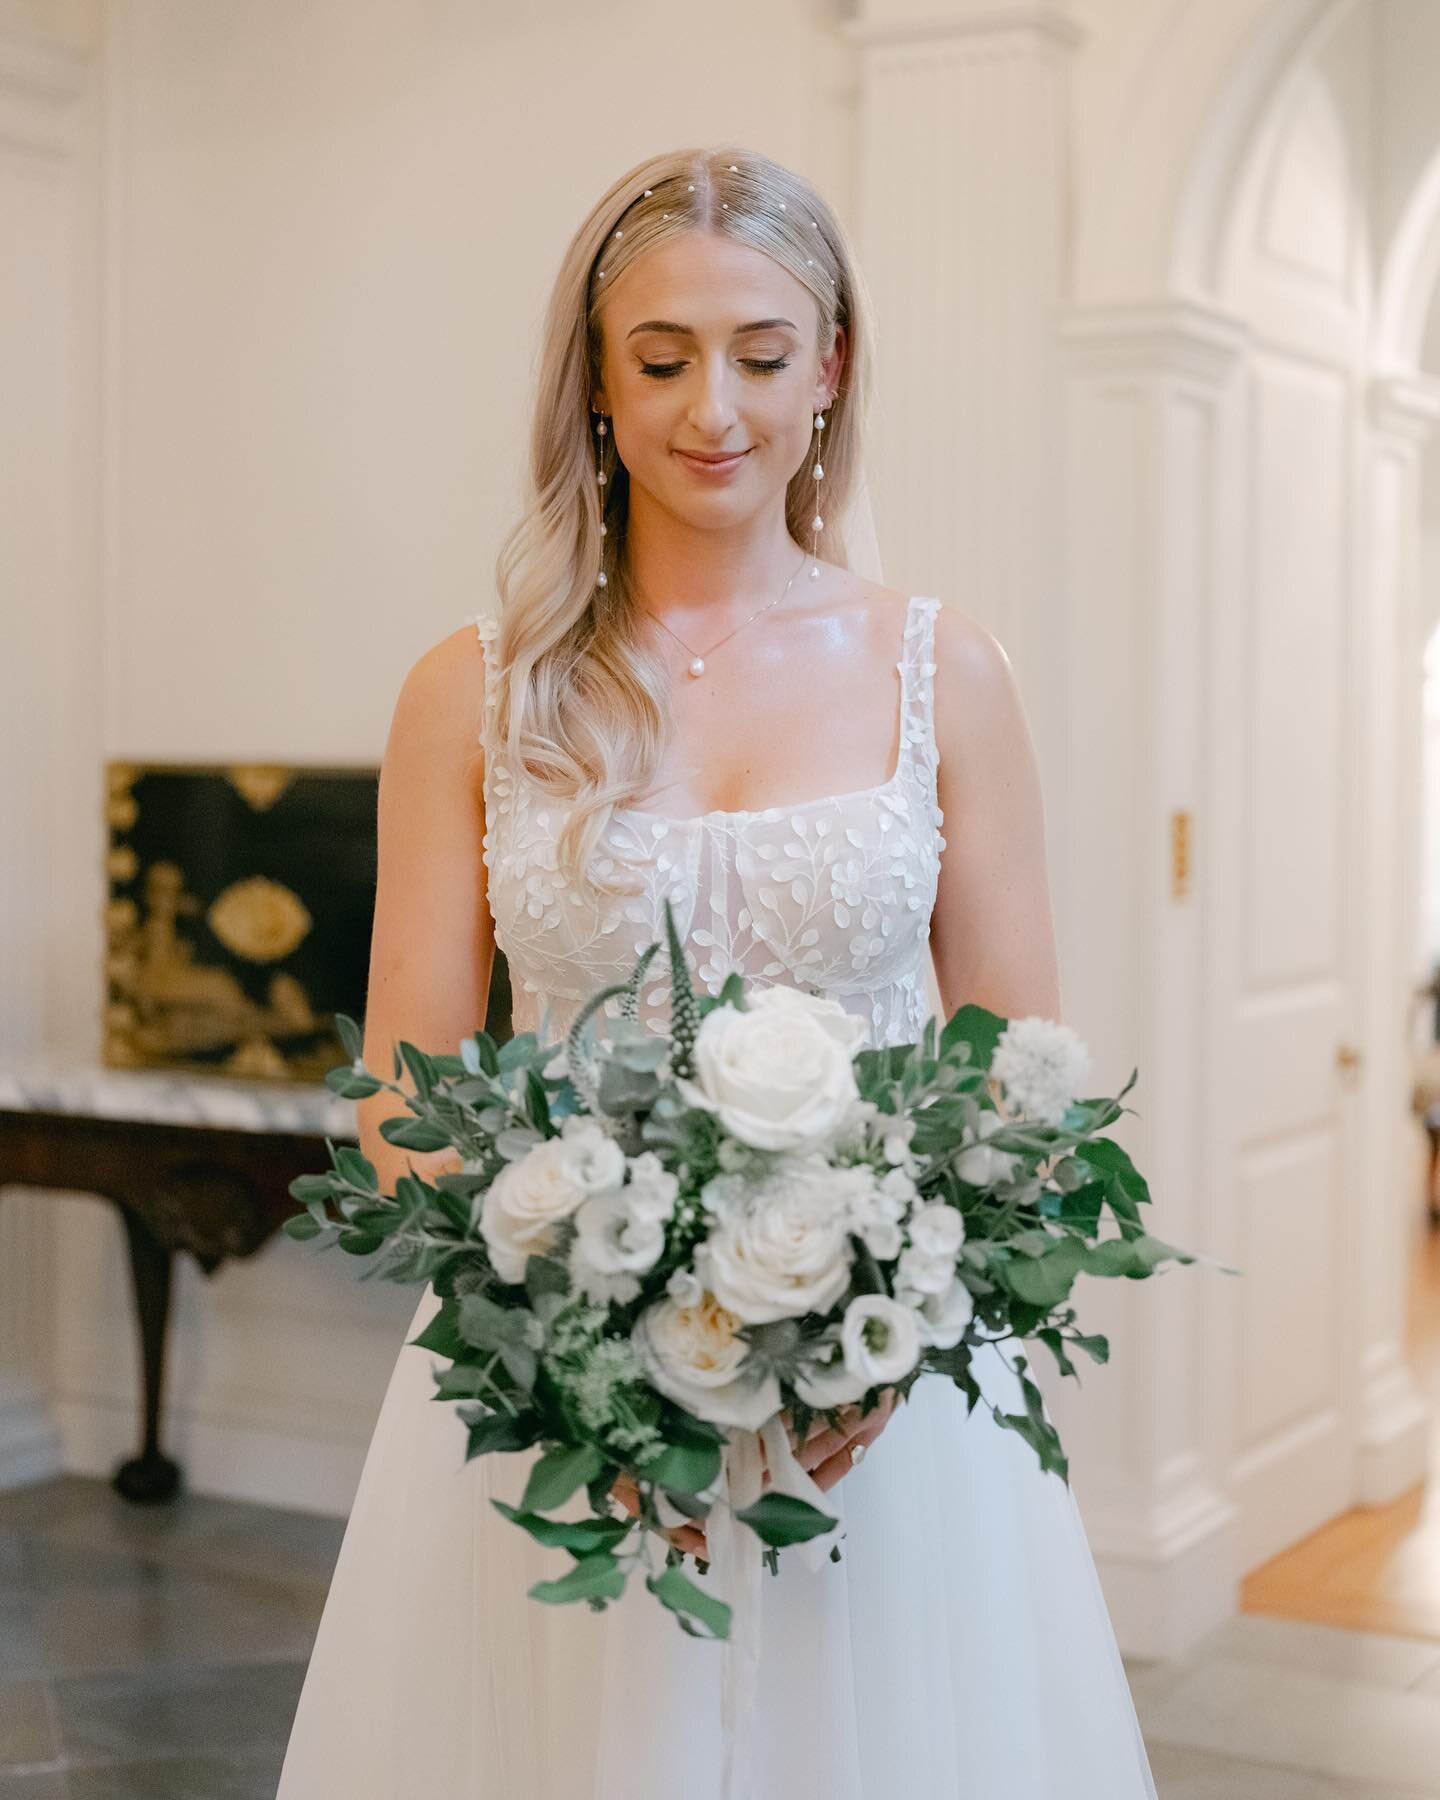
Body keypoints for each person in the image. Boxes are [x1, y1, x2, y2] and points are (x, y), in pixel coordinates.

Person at [276, 145, 1159, 1799]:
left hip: (883, 1404)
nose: (715, 408)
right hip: (560, 1397)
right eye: (663, 358)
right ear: (595, 386)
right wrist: (574, 1342)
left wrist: (881, 1336)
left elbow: (1015, 1064)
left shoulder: (941, 673)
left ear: (829, 368)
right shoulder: (471, 696)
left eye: (762, 353)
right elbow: (403, 1086)